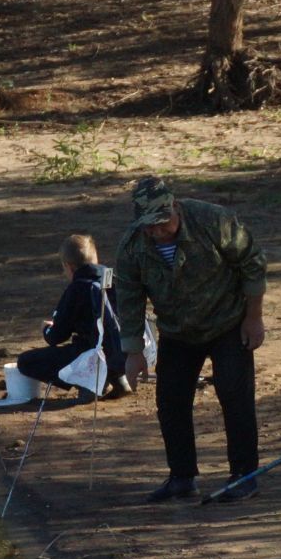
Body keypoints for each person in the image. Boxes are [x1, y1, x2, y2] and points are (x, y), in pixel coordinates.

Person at [114, 175, 266, 504]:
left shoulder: (213, 220)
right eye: (148, 226)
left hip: (227, 322)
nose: (156, 231)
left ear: (175, 208)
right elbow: (129, 299)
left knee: (235, 396)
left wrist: (254, 318)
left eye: (161, 223)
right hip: (177, 332)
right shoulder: (133, 246)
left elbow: (252, 264)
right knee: (170, 401)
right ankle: (181, 476)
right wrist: (133, 352)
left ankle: (244, 476)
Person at [15, 234, 128, 398]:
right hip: (124, 352)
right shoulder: (112, 279)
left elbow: (57, 337)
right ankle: (118, 378)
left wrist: (47, 328)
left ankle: (87, 383)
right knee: (107, 340)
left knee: (25, 361)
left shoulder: (78, 288)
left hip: (91, 354)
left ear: (69, 266)